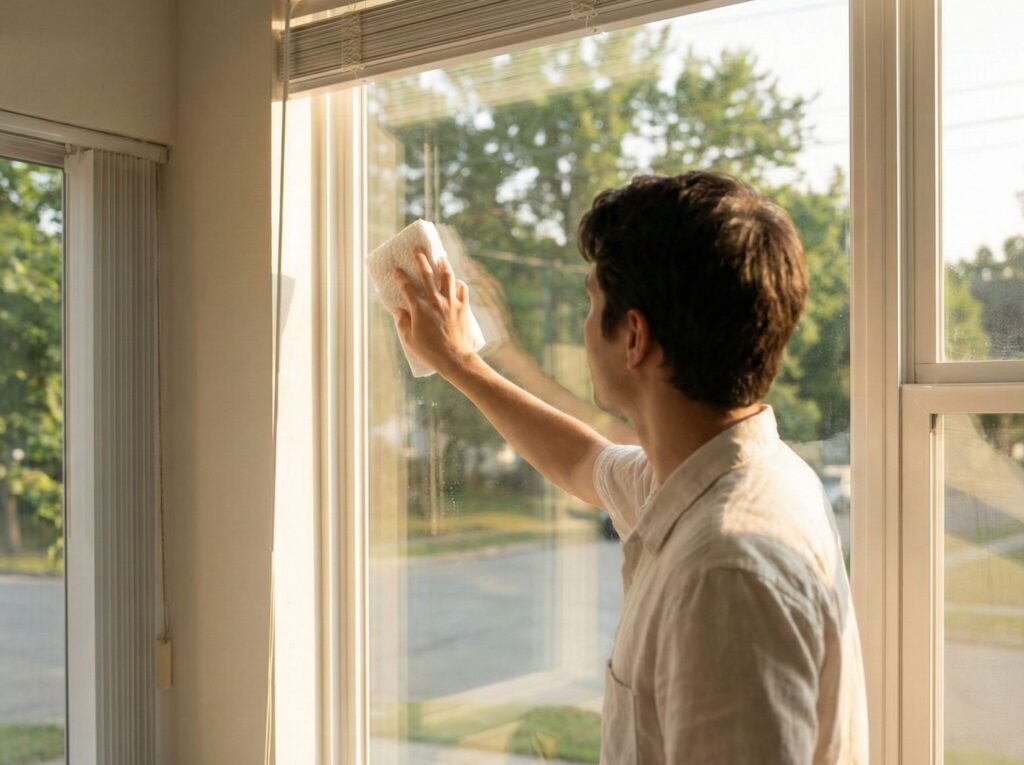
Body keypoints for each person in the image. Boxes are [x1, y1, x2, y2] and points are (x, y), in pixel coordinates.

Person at [390, 171, 868, 764]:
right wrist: (462, 362)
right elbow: (583, 459)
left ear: (634, 336)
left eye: (592, 305)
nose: (582, 327)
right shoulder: (728, 473)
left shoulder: (725, 575)